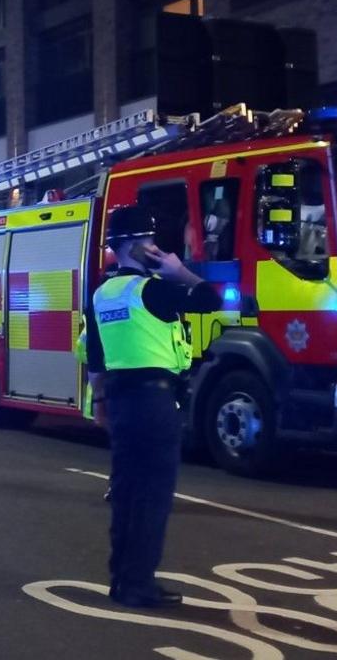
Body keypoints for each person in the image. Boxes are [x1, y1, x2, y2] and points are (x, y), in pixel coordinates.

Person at [82, 205, 222, 608]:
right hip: (155, 402)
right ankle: (138, 585)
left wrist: (101, 403)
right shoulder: (153, 289)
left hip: (123, 401)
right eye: (149, 241)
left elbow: (95, 356)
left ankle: (122, 579)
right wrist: (181, 272)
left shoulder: (103, 293)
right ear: (133, 246)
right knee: (153, 496)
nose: (155, 247)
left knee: (127, 493)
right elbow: (211, 299)